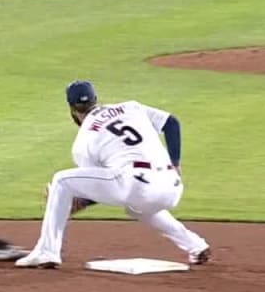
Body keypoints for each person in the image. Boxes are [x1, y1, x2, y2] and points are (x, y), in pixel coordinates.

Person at [15, 80, 211, 269]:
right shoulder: (130, 107)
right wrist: (175, 162)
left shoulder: (84, 141)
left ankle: (47, 251)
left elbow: (95, 191)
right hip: (172, 185)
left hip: (136, 184)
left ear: (72, 110)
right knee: (137, 208)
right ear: (95, 99)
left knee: (61, 180)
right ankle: (195, 245)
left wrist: (77, 204)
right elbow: (171, 123)